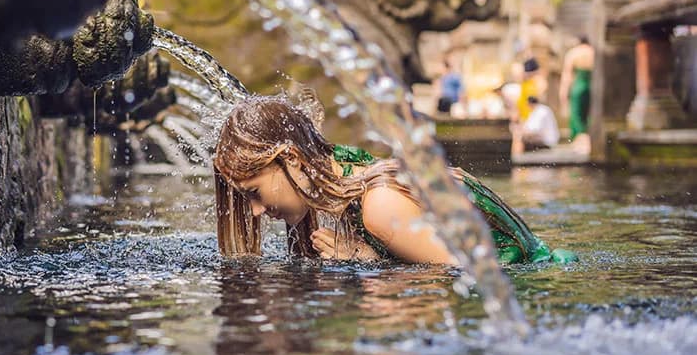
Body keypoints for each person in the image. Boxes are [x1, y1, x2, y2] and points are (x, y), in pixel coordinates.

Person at [213, 97, 576, 265]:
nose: (256, 210)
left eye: (253, 193)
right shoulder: (343, 169)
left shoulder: (379, 205)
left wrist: (369, 262)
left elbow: (464, 280)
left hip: (537, 282)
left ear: (291, 158)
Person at [558, 36, 594, 144]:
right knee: (590, 115)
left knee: (577, 115)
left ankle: (579, 142)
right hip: (593, 85)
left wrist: (563, 92)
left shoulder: (573, 53)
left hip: (578, 85)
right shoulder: (593, 52)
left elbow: (567, 75)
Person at [516, 57, 546, 122]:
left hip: (534, 120)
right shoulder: (524, 83)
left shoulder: (538, 81)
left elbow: (538, 100)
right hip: (525, 119)